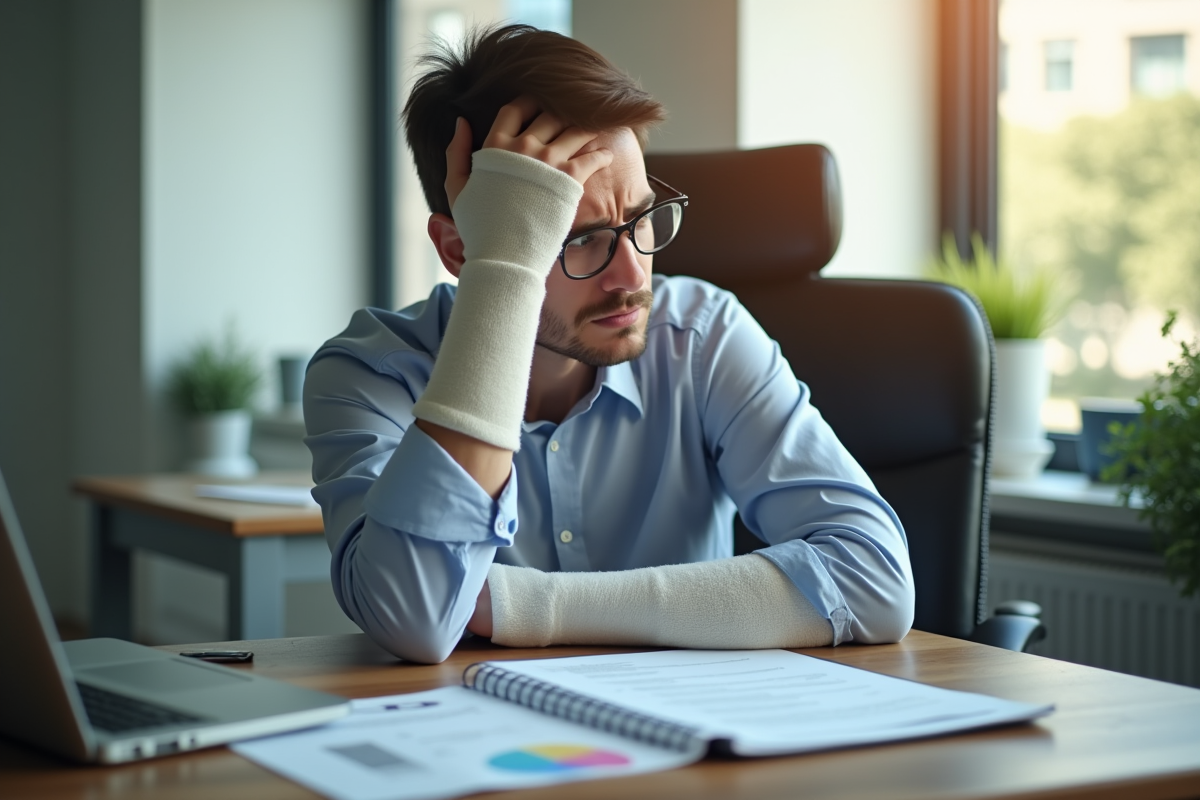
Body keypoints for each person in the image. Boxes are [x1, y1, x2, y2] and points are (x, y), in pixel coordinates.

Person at [304, 24, 914, 664]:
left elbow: (872, 580)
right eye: (578, 239)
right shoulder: (369, 373)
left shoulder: (701, 338)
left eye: (642, 219)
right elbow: (417, 619)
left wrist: (523, 604)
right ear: (460, 250)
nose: (633, 277)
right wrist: (505, 268)